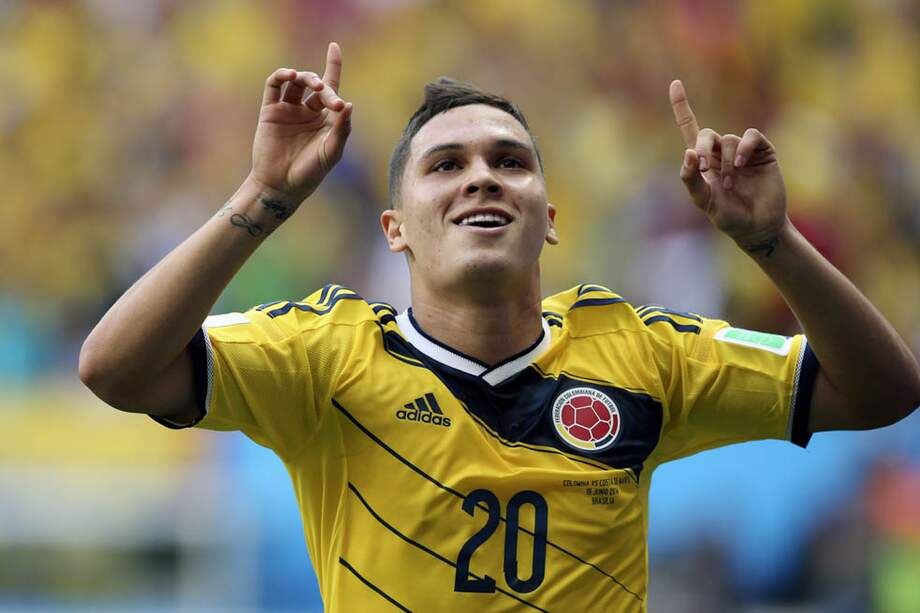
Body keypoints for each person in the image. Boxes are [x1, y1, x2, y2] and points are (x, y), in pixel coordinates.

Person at [79, 42, 920, 612]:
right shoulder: (322, 356)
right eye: (446, 165)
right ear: (394, 228)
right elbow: (114, 370)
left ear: (548, 217)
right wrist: (265, 198)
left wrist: (770, 241)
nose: (482, 178)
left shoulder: (643, 351)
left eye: (509, 162)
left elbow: (884, 390)